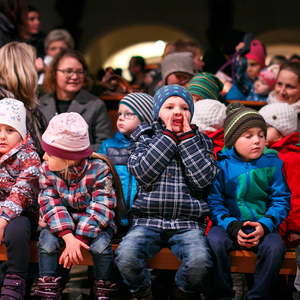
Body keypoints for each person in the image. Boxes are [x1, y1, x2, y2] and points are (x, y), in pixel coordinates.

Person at [115, 85, 219, 299]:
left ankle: (181, 293)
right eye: (169, 107)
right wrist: (169, 136)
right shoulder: (144, 137)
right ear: (157, 113)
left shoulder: (201, 141)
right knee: (126, 257)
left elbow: (203, 179)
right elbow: (143, 172)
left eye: (184, 108)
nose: (177, 112)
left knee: (200, 262)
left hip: (187, 223)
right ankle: (143, 292)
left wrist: (187, 139)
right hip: (147, 221)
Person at [207, 103, 290, 300]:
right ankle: (222, 294)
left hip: (262, 223)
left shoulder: (273, 163)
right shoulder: (221, 165)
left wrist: (265, 224)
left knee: (275, 247)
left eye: (261, 135)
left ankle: (258, 295)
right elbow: (214, 202)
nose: (257, 141)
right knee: (213, 242)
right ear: (233, 139)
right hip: (229, 224)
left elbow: (281, 200)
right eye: (248, 136)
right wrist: (231, 226)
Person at [32, 112, 119, 299]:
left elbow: (101, 207)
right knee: (47, 243)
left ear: (69, 158)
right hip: (59, 223)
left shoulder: (99, 168)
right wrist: (68, 236)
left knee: (101, 247)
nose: (45, 157)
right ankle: (48, 285)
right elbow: (49, 202)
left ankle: (103, 287)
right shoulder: (46, 168)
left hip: (95, 224)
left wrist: (80, 237)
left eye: (50, 153)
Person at [0, 98, 40, 299]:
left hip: (24, 214)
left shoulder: (30, 157)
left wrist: (3, 219)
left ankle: (15, 281)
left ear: (22, 135)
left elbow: (22, 191)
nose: (2, 136)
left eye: (9, 130)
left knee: (17, 228)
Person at [98, 92, 153, 230]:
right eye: (119, 114)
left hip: (143, 218)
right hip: (113, 215)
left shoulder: (153, 147)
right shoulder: (108, 146)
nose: (121, 118)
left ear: (145, 119)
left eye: (128, 114)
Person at [39, 49, 113, 150]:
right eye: (68, 71)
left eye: (79, 72)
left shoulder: (95, 105)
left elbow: (105, 145)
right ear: (54, 73)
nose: (74, 76)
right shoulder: (40, 104)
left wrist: (72, 154)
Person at [0, 41, 47, 159]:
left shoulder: (28, 103)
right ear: (26, 68)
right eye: (33, 63)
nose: (37, 66)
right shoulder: (6, 105)